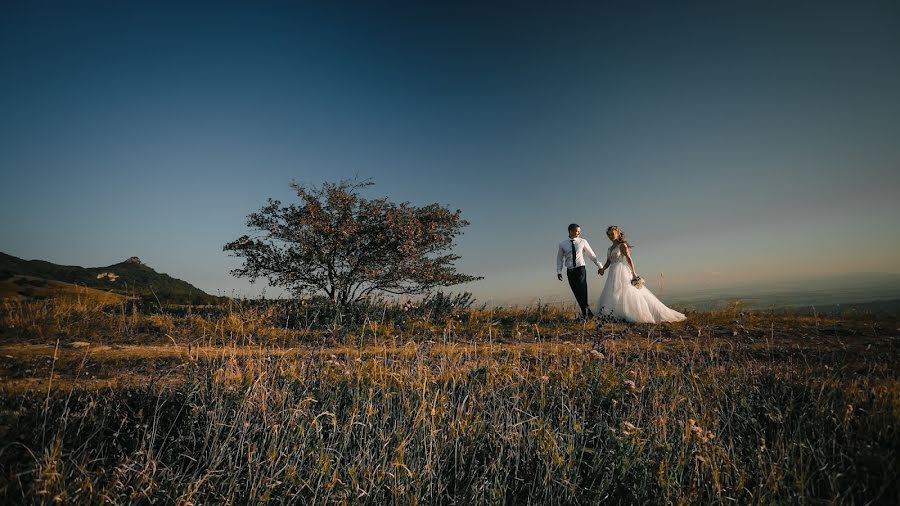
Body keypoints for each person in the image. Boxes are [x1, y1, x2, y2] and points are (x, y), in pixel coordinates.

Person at [596, 225, 686, 323]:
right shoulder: (609, 248)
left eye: (612, 234)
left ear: (618, 233)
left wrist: (634, 273)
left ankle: (630, 313)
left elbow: (629, 259)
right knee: (612, 291)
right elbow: (608, 261)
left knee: (627, 291)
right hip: (612, 272)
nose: (611, 236)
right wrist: (603, 269)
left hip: (621, 270)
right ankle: (614, 313)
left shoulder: (622, 245)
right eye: (609, 235)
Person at [556, 223, 602, 320]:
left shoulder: (583, 241)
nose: (579, 233)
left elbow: (591, 254)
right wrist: (559, 271)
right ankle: (586, 313)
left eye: (580, 231)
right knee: (576, 292)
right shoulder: (562, 244)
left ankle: (587, 313)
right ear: (571, 231)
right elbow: (559, 259)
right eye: (577, 231)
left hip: (580, 269)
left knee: (582, 291)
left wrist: (599, 265)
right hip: (570, 271)